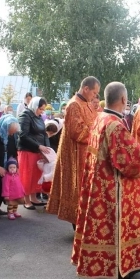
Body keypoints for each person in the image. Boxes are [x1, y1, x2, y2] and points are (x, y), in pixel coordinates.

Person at [72, 82, 140, 279]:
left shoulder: (99, 118)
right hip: (112, 189)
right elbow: (129, 160)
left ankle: (103, 267)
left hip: (97, 183)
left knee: (100, 228)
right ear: (123, 100)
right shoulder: (114, 124)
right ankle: (111, 273)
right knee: (110, 228)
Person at [46, 76, 99, 227]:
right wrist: (96, 133)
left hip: (87, 152)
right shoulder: (74, 105)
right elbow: (77, 131)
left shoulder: (87, 103)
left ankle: (86, 223)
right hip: (75, 154)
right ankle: (79, 225)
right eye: (94, 93)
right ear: (86, 88)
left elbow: (94, 121)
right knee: (78, 189)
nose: (95, 96)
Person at [17, 97, 50, 209]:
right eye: (40, 109)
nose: (42, 111)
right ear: (35, 106)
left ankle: (33, 198)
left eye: (43, 109)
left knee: (36, 175)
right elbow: (23, 135)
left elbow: (44, 134)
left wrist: (47, 148)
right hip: (27, 150)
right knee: (27, 175)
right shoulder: (25, 115)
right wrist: (38, 146)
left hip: (38, 150)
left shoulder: (39, 117)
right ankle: (26, 200)